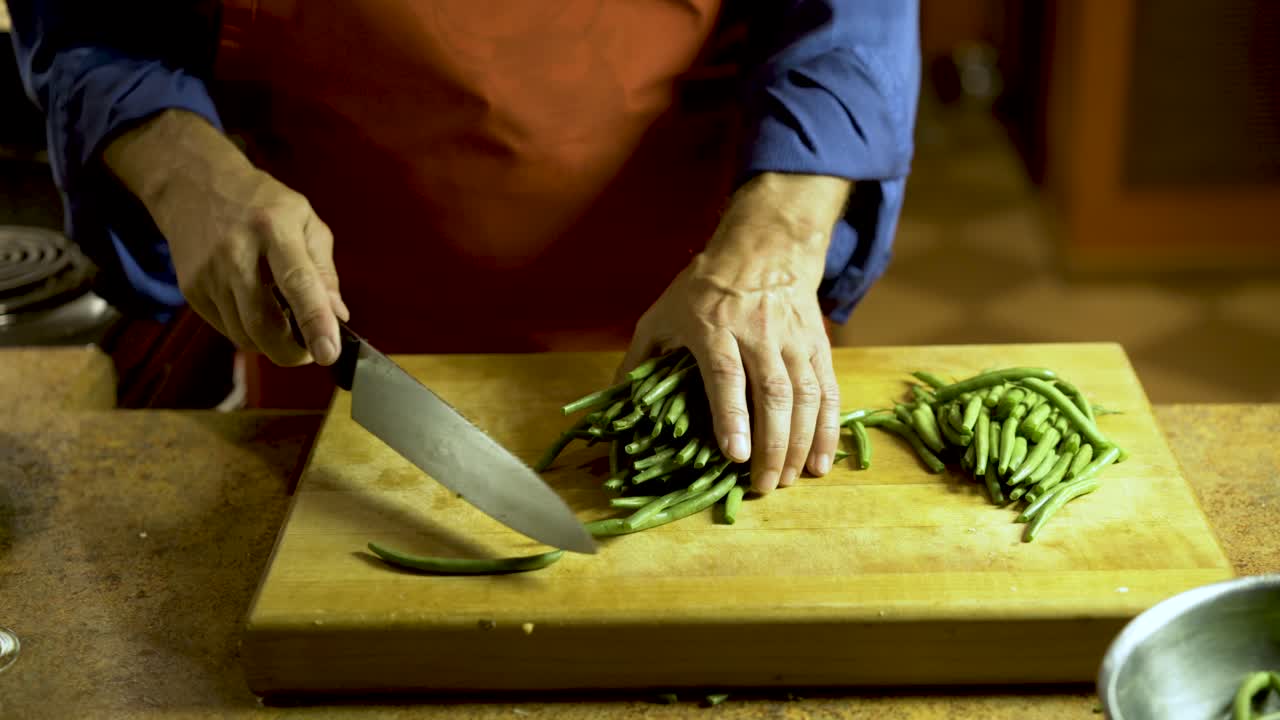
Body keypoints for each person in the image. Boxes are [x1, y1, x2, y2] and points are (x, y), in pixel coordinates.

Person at [9, 1, 920, 495]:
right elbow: (89, 25)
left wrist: (777, 240)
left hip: (704, 328)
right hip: (333, 329)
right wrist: (183, 168)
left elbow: (854, 13)